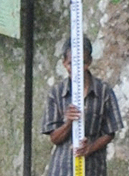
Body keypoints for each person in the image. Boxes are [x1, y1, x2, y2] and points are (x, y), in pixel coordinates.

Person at [43, 34, 123, 176]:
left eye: (82, 63)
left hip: (93, 169)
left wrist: (90, 148)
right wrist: (68, 123)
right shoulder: (56, 93)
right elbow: (54, 138)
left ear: (90, 62)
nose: (77, 69)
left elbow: (110, 132)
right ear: (64, 63)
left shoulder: (104, 91)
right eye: (71, 64)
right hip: (62, 169)